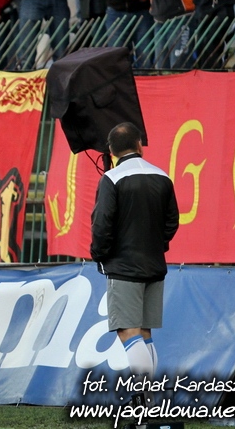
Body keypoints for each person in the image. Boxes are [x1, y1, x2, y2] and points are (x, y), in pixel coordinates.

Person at [90, 122, 179, 403]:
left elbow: (102, 223)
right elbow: (172, 222)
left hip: (123, 267)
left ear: (112, 151)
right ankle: (151, 400)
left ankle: (143, 398)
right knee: (144, 332)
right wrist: (157, 245)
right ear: (139, 145)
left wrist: (100, 254)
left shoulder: (112, 178)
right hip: (155, 265)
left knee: (128, 332)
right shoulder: (162, 176)